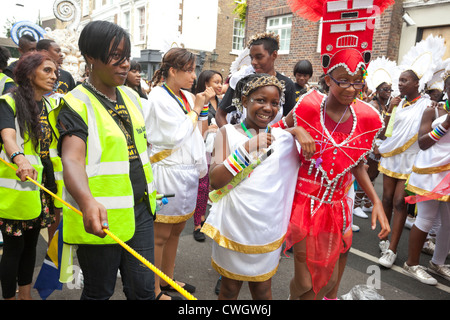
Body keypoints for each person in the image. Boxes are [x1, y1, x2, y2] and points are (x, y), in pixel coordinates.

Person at [281, 0, 392, 300]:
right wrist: (295, 129)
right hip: (305, 204)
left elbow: (356, 165)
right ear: (328, 78)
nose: (351, 89)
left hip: (339, 206)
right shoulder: (306, 106)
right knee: (304, 282)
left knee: (328, 285)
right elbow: (274, 133)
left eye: (358, 82)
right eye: (343, 81)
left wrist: (376, 202)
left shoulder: (368, 117)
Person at [54, 20, 157, 300]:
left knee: (144, 290)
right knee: (100, 291)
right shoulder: (75, 103)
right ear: (90, 57)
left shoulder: (130, 96)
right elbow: (72, 160)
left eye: (126, 57)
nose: (125, 65)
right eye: (115, 57)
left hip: (142, 211)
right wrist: (87, 201)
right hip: (102, 217)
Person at [202, 73, 315, 300]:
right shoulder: (227, 133)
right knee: (229, 289)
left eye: (275, 103)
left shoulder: (284, 140)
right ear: (244, 101)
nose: (268, 108)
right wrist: (247, 148)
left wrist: (297, 130)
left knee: (263, 290)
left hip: (267, 230)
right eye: (260, 100)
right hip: (233, 226)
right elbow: (215, 180)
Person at [146, 47, 214, 300]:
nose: (193, 75)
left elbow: (198, 133)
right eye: (188, 70)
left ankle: (167, 279)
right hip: (167, 172)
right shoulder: (157, 97)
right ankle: (153, 289)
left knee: (176, 230)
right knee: (160, 234)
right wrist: (197, 109)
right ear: (172, 71)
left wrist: (200, 105)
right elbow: (174, 136)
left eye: (194, 69)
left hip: (186, 173)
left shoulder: (186, 95)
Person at [377, 35, 445, 268]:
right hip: (392, 156)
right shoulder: (399, 103)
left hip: (411, 159)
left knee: (399, 202)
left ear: (417, 83)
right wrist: (389, 110)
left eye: (404, 81)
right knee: (386, 199)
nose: (400, 84)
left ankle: (393, 250)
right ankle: (384, 239)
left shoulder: (427, 106)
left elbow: (424, 134)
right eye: (400, 80)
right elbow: (387, 132)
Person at [0, 51, 59, 299]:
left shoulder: (50, 105)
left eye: (55, 71)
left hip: (41, 190)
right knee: (14, 249)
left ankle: (25, 295)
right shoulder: (8, 101)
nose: (54, 76)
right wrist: (19, 158)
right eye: (47, 70)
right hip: (15, 190)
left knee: (32, 247)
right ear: (28, 72)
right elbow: (8, 136)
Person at [402, 65, 450, 285]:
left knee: (448, 222)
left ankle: (437, 263)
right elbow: (422, 143)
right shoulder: (433, 111)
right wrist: (446, 125)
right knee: (426, 217)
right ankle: (411, 264)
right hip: (430, 172)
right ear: (447, 88)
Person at [215, 32, 297, 127]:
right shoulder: (242, 80)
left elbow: (290, 121)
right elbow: (220, 115)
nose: (253, 62)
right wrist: (231, 137)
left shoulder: (287, 84)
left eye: (259, 57)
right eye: (251, 58)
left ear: (274, 55)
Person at [192, 69, 223, 241]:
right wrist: (210, 128)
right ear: (206, 84)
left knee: (212, 185)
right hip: (203, 148)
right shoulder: (199, 100)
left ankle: (206, 218)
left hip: (218, 148)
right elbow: (199, 129)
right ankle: (198, 223)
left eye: (221, 82)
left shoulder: (222, 101)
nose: (219, 85)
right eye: (216, 82)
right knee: (202, 186)